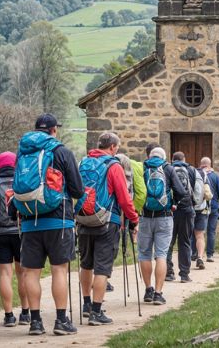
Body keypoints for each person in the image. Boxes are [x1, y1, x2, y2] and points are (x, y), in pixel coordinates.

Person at [11, 114, 83, 336]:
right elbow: (78, 190)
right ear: (53, 130)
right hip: (58, 219)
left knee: (31, 272)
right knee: (59, 270)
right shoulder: (61, 151)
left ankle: (35, 322)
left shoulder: (22, 152)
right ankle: (61, 320)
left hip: (30, 220)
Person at [77, 133, 139, 326]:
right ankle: (96, 311)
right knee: (102, 267)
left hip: (84, 219)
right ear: (112, 147)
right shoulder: (114, 166)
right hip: (107, 221)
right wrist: (134, 219)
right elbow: (123, 198)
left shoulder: (83, 163)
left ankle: (86, 304)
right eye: (117, 147)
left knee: (86, 264)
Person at [138, 146, 188, 305]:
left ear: (150, 156)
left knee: (144, 254)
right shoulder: (168, 168)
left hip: (145, 217)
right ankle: (158, 294)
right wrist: (173, 203)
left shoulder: (142, 167)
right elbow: (181, 191)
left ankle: (148, 290)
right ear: (163, 157)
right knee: (161, 255)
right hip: (164, 217)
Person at [0, 151, 30, 327]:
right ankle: (26, 313)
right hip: (21, 233)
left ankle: (9, 315)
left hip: (0, 233)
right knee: (23, 274)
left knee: (5, 273)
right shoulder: (22, 180)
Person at [165, 151, 199, 282]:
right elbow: (199, 190)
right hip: (186, 210)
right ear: (184, 159)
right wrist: (193, 204)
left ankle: (168, 272)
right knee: (185, 242)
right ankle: (184, 274)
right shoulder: (191, 170)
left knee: (169, 242)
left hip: (170, 210)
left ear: (172, 159)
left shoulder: (168, 169)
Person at [198, 157, 219, 262]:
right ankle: (209, 255)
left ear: (201, 164)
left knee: (197, 231)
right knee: (211, 231)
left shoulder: (197, 174)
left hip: (200, 207)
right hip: (213, 207)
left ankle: (195, 253)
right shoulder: (215, 177)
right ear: (210, 164)